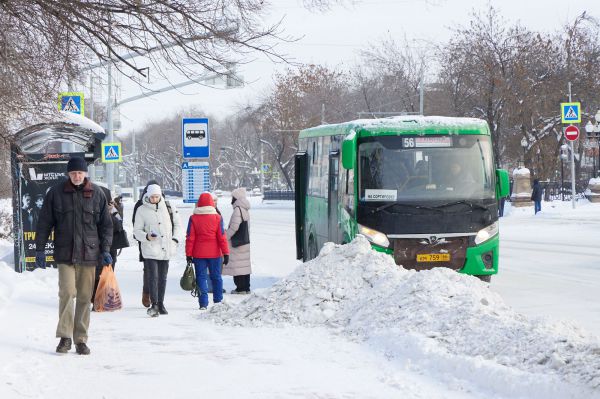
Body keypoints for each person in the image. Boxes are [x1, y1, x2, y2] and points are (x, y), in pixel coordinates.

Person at [34, 156, 113, 355]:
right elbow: (44, 222)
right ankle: (65, 337)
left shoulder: (97, 194)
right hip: (65, 253)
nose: (77, 176)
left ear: (85, 173)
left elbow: (106, 226)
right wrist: (40, 249)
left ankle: (80, 339)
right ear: (68, 174)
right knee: (67, 293)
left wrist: (106, 250)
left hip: (89, 253)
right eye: (73, 173)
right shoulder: (56, 193)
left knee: (86, 297)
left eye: (80, 172)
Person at [133, 184, 182, 317]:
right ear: (147, 196)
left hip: (166, 248)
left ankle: (161, 303)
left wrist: (175, 240)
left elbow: (178, 225)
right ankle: (154, 304)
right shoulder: (141, 210)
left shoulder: (169, 207)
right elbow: (136, 231)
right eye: (152, 196)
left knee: (163, 277)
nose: (155, 199)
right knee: (153, 277)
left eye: (157, 196)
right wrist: (146, 236)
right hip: (150, 249)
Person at [185, 192, 229, 310]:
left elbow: (190, 238)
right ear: (211, 203)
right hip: (215, 254)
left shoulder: (193, 218)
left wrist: (188, 254)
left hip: (199, 254)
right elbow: (222, 237)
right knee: (216, 277)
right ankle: (218, 301)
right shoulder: (218, 218)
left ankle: (203, 303)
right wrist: (226, 253)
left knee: (201, 278)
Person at [91, 187, 130, 307]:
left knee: (108, 272)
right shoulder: (93, 208)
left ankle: (105, 298)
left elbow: (118, 226)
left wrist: (111, 212)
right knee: (97, 273)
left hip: (111, 246)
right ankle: (95, 299)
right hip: (95, 246)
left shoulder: (114, 210)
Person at [132, 180, 159, 308]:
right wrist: (144, 236)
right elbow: (135, 224)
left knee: (159, 270)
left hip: (161, 242)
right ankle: (147, 294)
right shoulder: (140, 205)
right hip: (146, 241)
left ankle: (156, 295)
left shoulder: (164, 204)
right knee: (148, 270)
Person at [223, 188, 252, 294]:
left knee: (237, 266)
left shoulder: (237, 210)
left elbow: (234, 227)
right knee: (244, 266)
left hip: (237, 243)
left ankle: (240, 288)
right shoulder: (244, 209)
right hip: (244, 241)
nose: (232, 199)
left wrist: (226, 236)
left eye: (233, 197)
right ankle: (246, 287)